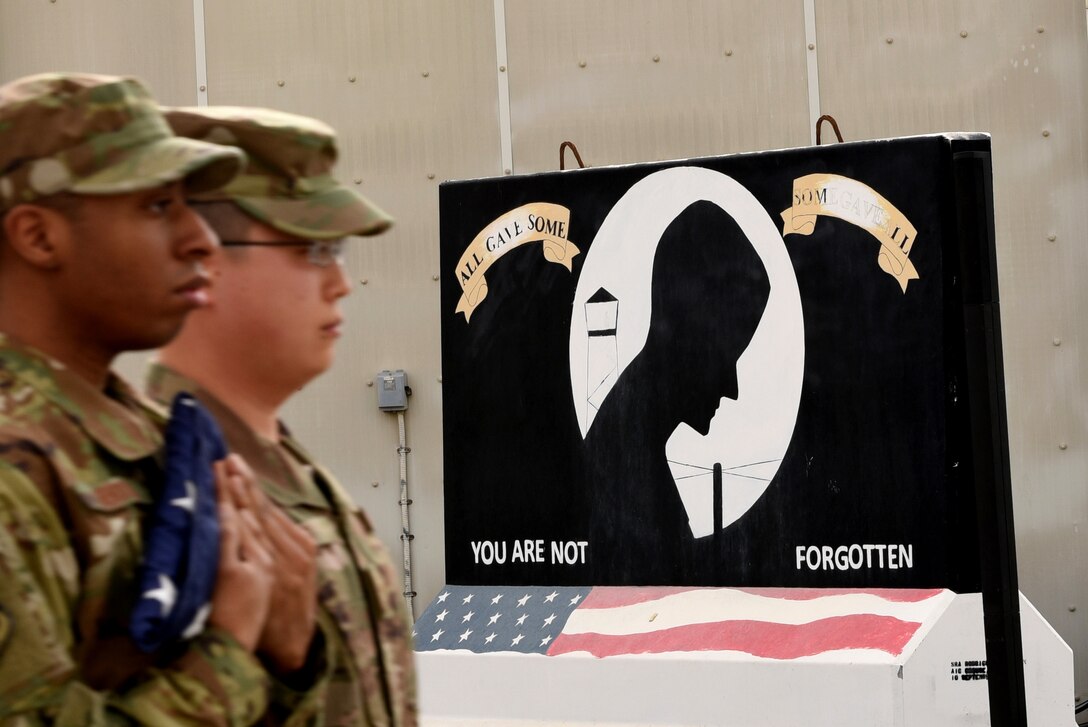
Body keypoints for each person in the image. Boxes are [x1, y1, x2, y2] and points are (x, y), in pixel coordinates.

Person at [0, 72, 286, 724]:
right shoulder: (15, 467)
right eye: (156, 207)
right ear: (39, 237)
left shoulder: (156, 437)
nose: (202, 239)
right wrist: (233, 650)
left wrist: (292, 649)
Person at [149, 105, 416, 726]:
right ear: (204, 261)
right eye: (317, 249)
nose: (342, 283)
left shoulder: (276, 465)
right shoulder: (162, 482)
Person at [582, 200, 771, 584]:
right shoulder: (623, 473)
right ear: (685, 334)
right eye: (725, 355)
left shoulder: (629, 452)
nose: (731, 389)